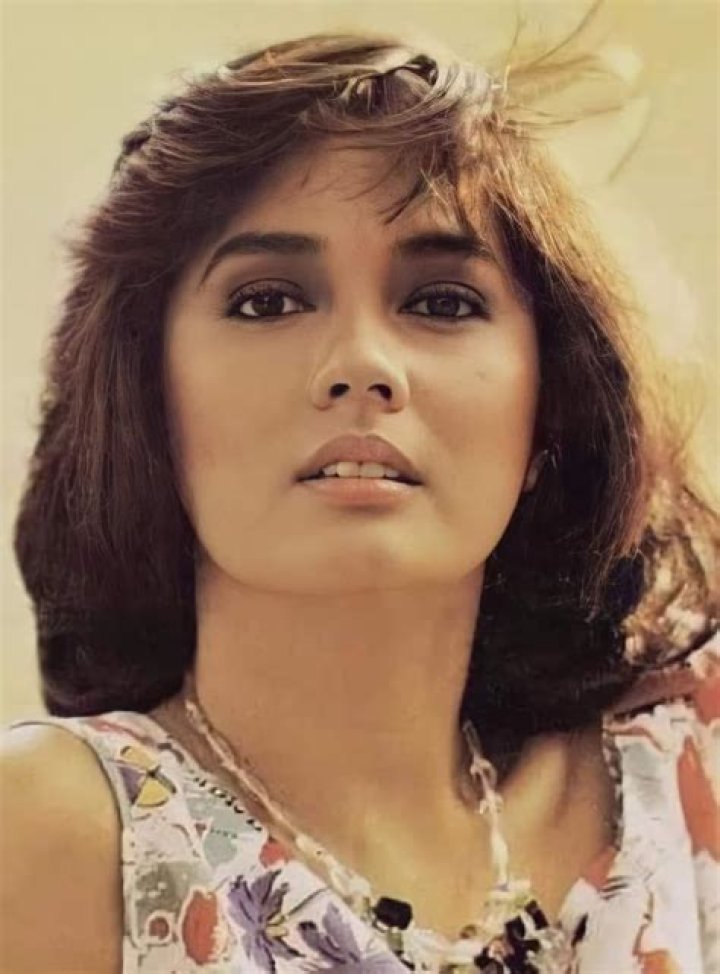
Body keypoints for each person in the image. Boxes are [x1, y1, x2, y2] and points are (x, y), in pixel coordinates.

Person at [1, 27, 718, 974]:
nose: (361, 365)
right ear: (146, 401)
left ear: (551, 411)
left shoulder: (690, 764)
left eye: (442, 302)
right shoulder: (52, 832)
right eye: (267, 301)